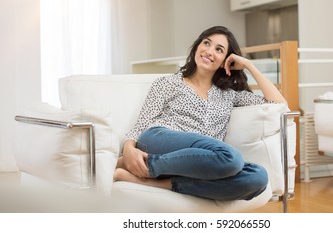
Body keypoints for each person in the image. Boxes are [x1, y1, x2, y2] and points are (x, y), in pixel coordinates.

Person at [114, 25, 287, 201]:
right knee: (231, 158)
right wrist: (128, 150)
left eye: (219, 49)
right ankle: (147, 166)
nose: (209, 51)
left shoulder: (229, 94)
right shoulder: (168, 83)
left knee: (258, 177)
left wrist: (249, 65)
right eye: (206, 43)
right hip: (160, 138)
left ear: (226, 60)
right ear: (197, 47)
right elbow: (143, 122)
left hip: (201, 161)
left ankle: (158, 181)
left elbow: (279, 105)